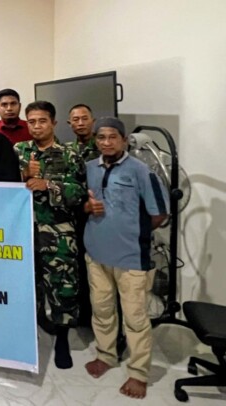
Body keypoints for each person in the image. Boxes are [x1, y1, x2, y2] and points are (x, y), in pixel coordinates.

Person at [83, 117, 168, 399]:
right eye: (101, 138)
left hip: (131, 258)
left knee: (135, 317)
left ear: (123, 139)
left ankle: (138, 373)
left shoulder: (141, 171)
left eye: (112, 137)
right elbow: (84, 203)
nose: (106, 143)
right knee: (102, 309)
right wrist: (87, 207)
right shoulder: (89, 168)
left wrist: (131, 233)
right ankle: (106, 355)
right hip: (96, 254)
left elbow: (159, 214)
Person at [15, 101, 85, 369]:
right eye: (31, 122)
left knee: (62, 285)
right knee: (27, 283)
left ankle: (62, 340)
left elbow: (79, 192)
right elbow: (4, 184)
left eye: (42, 121)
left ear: (53, 123)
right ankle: (30, 331)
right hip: (24, 230)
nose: (36, 126)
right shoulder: (19, 150)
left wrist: (49, 184)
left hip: (59, 232)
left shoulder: (70, 154)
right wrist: (24, 174)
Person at [65, 103, 99, 327]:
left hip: (99, 215)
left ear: (92, 121)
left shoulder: (104, 145)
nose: (80, 123)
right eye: (75, 119)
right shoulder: (67, 149)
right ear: (69, 124)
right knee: (78, 266)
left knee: (99, 269)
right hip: (74, 215)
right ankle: (84, 314)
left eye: (84, 118)